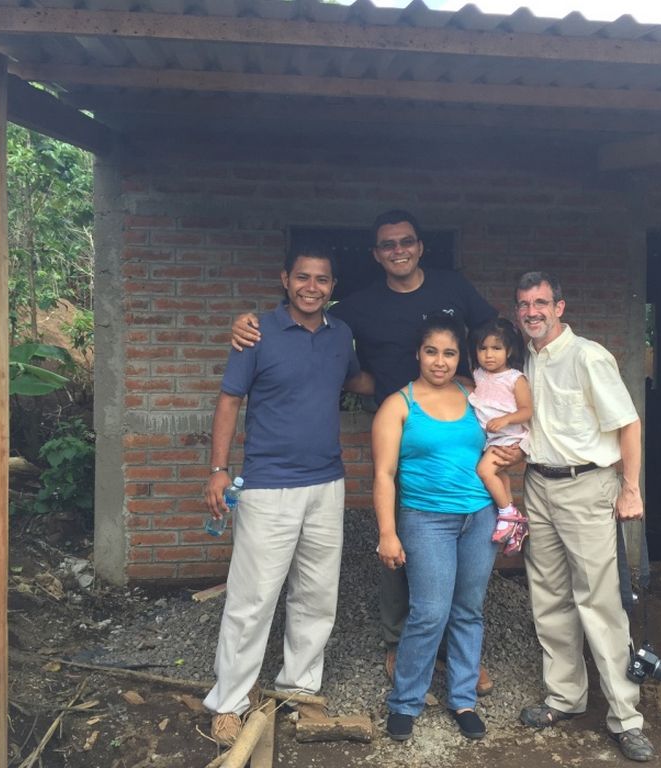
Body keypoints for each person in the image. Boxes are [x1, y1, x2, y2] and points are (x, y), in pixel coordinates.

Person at [230, 210, 498, 691]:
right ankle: (399, 640)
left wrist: (492, 392)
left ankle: (458, 653)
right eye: (388, 244)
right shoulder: (359, 307)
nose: (399, 250)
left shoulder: (453, 287)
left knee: (463, 542)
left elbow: (493, 336)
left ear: (420, 247)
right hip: (402, 431)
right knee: (400, 542)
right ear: (376, 254)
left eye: (406, 241)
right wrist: (248, 324)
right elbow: (309, 318)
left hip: (456, 429)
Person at [202, 246, 372, 746]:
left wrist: (420, 377)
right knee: (252, 598)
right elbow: (229, 400)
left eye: (322, 279)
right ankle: (229, 702)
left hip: (327, 484)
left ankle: (299, 689)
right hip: (267, 486)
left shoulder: (340, 335)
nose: (311, 287)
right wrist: (218, 470)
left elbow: (356, 379)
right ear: (285, 279)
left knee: (316, 594)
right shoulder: (256, 333)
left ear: (332, 286)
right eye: (303, 277)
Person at [501, 271, 656, 763]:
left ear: (559, 307)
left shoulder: (588, 356)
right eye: (524, 304)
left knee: (600, 601)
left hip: (586, 486)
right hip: (539, 485)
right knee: (549, 596)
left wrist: (630, 489)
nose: (532, 312)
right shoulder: (526, 359)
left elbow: (628, 424)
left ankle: (626, 717)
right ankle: (565, 697)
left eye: (541, 303)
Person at [371, 315, 499, 742]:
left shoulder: (474, 395)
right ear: (418, 354)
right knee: (429, 612)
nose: (440, 361)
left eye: (449, 353)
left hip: (479, 516)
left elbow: (503, 442)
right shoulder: (398, 404)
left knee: (468, 609)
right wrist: (387, 532)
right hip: (425, 519)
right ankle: (405, 701)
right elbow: (384, 475)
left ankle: (463, 699)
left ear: (460, 357)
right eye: (431, 352)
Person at [467, 318, 532, 555]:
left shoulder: (515, 378)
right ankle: (515, 526)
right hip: (491, 439)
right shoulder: (478, 374)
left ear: (509, 351)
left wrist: (506, 419)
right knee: (499, 475)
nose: (488, 355)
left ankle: (507, 514)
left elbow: (527, 410)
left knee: (484, 471)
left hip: (508, 437)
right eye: (482, 348)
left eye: (496, 348)